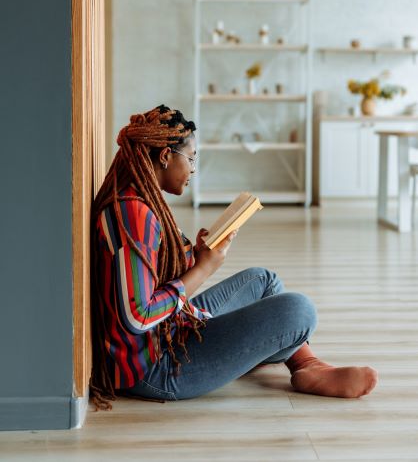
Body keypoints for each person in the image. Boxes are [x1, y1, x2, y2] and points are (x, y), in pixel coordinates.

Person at [90, 105, 378, 410]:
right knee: (299, 310)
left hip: (169, 331)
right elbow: (137, 316)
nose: (193, 170)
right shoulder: (133, 213)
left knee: (263, 281)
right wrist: (204, 269)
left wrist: (195, 255)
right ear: (165, 156)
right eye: (191, 158)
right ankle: (276, 357)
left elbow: (152, 272)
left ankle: (307, 365)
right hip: (156, 368)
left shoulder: (137, 198)